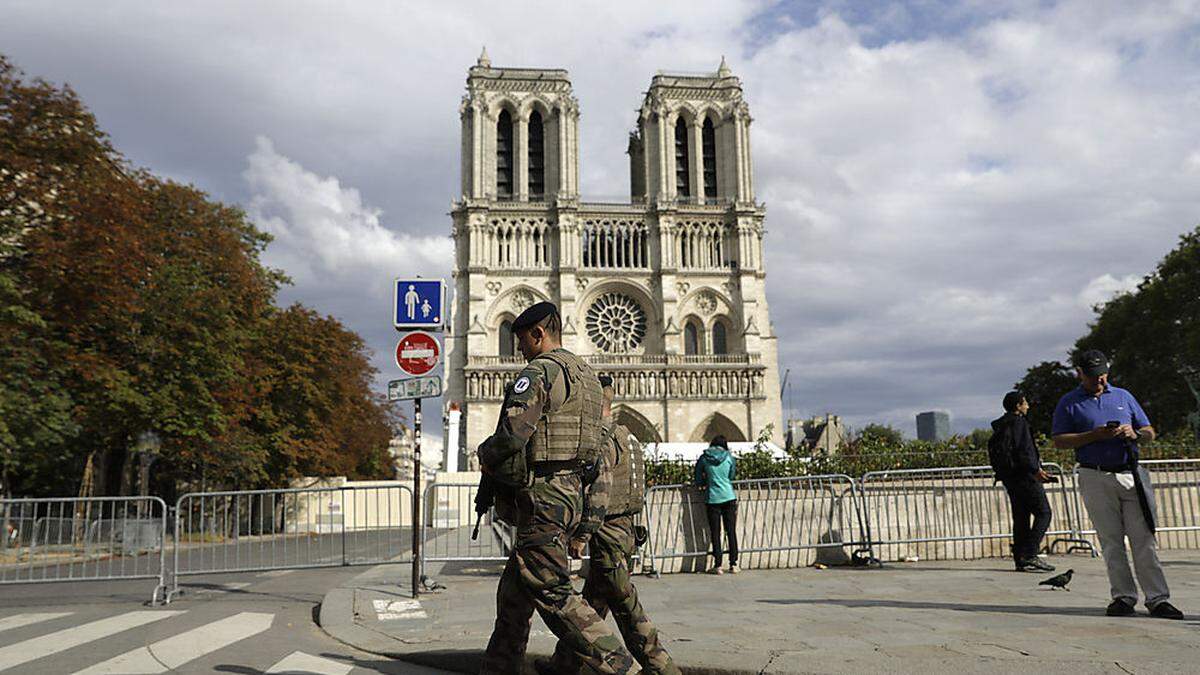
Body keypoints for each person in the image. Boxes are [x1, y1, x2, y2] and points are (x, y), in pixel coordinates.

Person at [476, 302, 637, 674]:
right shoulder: (587, 375)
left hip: (543, 496)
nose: (518, 349)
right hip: (571, 495)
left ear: (539, 334)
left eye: (521, 340)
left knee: (554, 595)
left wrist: (485, 454)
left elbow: (514, 434)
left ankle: (624, 668)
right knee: (514, 597)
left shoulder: (540, 372)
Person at [541, 377, 680, 675]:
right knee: (593, 602)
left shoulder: (601, 436)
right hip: (625, 528)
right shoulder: (627, 436)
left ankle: (663, 668)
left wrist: (582, 534)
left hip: (607, 529)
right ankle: (562, 665)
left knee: (626, 605)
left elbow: (601, 490)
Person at [1051, 349, 1184, 620]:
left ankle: (1158, 599)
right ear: (1080, 374)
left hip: (1130, 473)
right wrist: (1094, 435)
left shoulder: (1124, 396)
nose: (1099, 381)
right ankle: (1123, 596)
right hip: (1094, 475)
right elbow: (1060, 440)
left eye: (1102, 375)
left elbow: (1149, 432)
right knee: (1111, 541)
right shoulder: (1069, 402)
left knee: (1144, 539)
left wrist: (1134, 433)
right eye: (1092, 377)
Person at [990, 391, 1055, 572]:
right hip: (1025, 476)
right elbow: (1023, 451)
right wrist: (1036, 471)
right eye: (1025, 403)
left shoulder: (1002, 425)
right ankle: (1030, 553)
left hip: (1010, 478)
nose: (1028, 406)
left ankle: (1020, 559)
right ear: (1018, 406)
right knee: (1044, 513)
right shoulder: (1019, 423)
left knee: (1021, 518)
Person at [694, 435, 739, 574]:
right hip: (729, 496)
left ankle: (718, 565)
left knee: (715, 532)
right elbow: (732, 475)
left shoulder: (704, 458)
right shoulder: (729, 457)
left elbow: (697, 476)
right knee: (730, 531)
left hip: (712, 498)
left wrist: (704, 483)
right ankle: (734, 563)